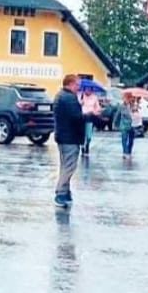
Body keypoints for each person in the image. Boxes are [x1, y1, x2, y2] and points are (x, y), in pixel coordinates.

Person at [53, 74, 84, 208]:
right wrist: (90, 115)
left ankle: (65, 192)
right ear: (70, 84)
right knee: (69, 167)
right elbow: (76, 117)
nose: (79, 87)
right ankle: (61, 193)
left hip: (63, 136)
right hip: (70, 137)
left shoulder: (61, 95)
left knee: (65, 165)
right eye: (77, 85)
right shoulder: (69, 98)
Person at [113, 92, 143, 158]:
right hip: (124, 125)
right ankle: (125, 152)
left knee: (131, 140)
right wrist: (114, 124)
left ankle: (129, 152)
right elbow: (117, 115)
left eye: (128, 98)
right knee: (124, 139)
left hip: (133, 125)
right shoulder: (122, 106)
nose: (126, 100)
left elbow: (139, 114)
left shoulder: (134, 106)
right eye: (125, 98)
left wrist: (136, 109)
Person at [80, 89, 101, 155]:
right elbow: (76, 107)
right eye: (86, 89)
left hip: (90, 117)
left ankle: (87, 145)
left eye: (89, 90)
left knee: (88, 135)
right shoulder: (81, 96)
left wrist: (93, 112)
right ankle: (82, 147)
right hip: (82, 117)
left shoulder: (94, 98)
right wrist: (80, 103)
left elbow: (98, 109)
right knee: (82, 134)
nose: (88, 91)